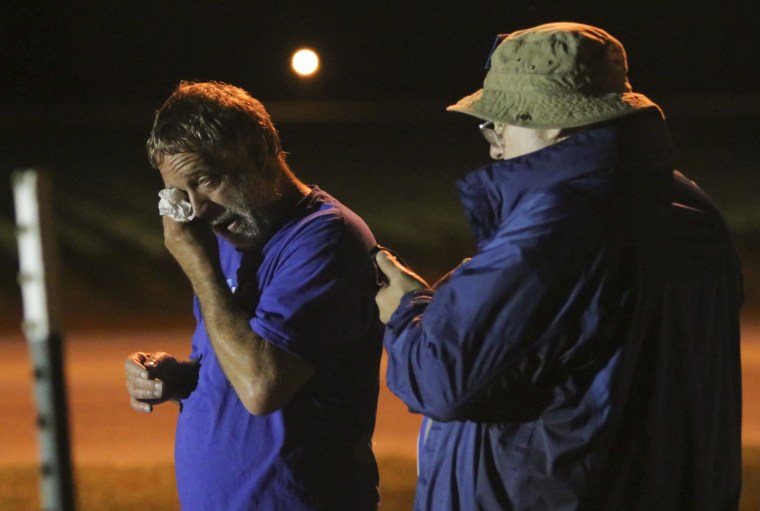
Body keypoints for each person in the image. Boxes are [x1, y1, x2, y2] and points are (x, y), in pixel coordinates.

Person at [375, 22, 743, 511]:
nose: (494, 144)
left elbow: (445, 380)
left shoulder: (561, 223)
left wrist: (407, 310)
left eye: (499, 123)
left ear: (551, 122)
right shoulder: (690, 207)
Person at [123, 81, 383, 510]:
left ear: (258, 149)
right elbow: (238, 353)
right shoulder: (232, 233)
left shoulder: (324, 237)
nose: (197, 210)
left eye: (205, 180)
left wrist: (198, 267)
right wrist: (183, 377)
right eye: (179, 195)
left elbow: (263, 385)